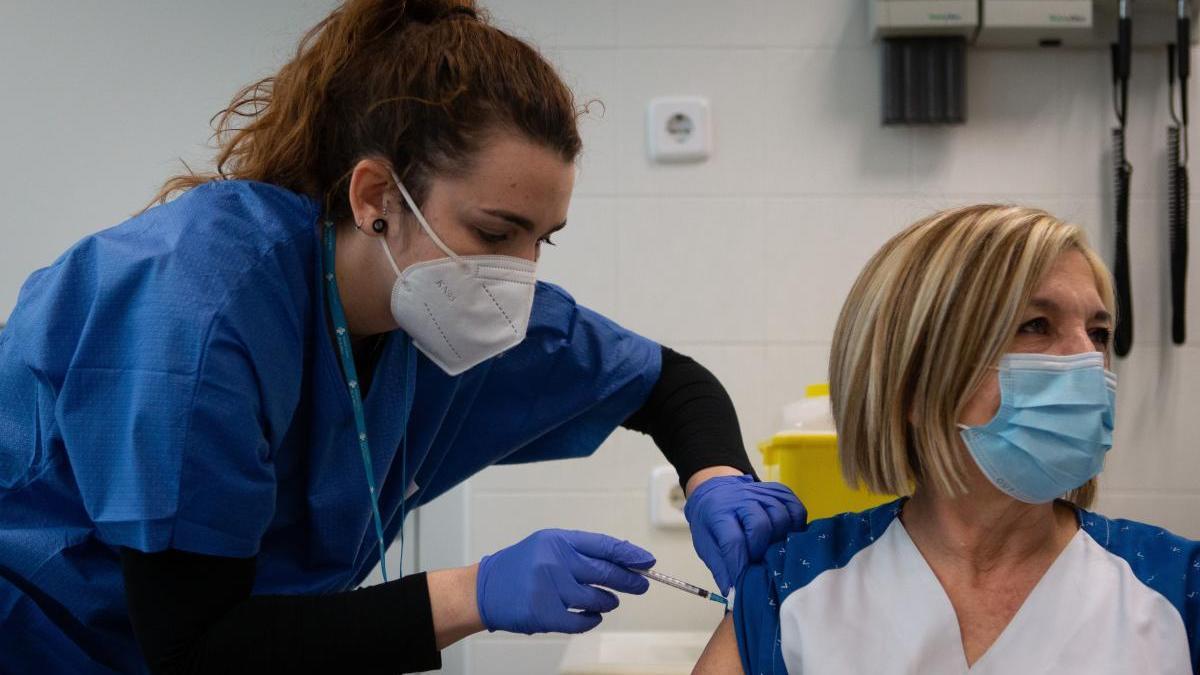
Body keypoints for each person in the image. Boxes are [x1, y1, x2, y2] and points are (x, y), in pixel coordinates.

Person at [0, 1, 805, 672]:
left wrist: (716, 478)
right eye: (497, 230)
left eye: (543, 239)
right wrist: (475, 593)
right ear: (376, 193)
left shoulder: (439, 303)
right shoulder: (200, 310)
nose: (519, 273)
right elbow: (198, 643)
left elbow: (670, 381)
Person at [694, 205, 1199, 673]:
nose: (1086, 360)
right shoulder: (792, 588)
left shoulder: (1179, 585)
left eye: (1099, 333)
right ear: (912, 379)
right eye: (1036, 325)